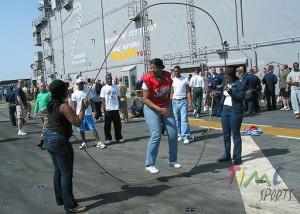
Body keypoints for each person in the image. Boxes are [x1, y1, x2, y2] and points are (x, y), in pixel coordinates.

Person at [45, 79, 87, 213]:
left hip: (49, 138)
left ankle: (61, 199)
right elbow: (78, 122)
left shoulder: (51, 104)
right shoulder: (64, 106)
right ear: (62, 92)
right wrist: (83, 108)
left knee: (58, 171)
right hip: (59, 141)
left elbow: (59, 120)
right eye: (66, 88)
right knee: (66, 174)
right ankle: (70, 206)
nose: (68, 90)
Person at [141, 58, 181, 174]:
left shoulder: (168, 76)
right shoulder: (147, 79)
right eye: (151, 67)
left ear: (161, 67)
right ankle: (149, 164)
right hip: (151, 108)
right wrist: (160, 109)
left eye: (155, 67)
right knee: (156, 134)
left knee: (173, 134)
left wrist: (168, 104)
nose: (152, 70)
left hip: (165, 106)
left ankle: (172, 160)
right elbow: (146, 99)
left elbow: (170, 90)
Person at [217, 68, 246, 165]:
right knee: (226, 134)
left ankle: (237, 157)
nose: (226, 80)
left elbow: (240, 97)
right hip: (225, 109)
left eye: (228, 78)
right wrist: (216, 93)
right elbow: (223, 95)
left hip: (235, 110)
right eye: (225, 78)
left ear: (232, 77)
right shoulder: (225, 84)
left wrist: (231, 92)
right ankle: (227, 155)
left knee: (236, 134)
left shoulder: (240, 84)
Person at [72, 77, 105, 149]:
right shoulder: (74, 94)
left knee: (92, 128)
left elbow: (92, 102)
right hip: (79, 114)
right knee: (81, 129)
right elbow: (74, 105)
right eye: (80, 83)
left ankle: (98, 142)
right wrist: (74, 114)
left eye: (82, 83)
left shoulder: (88, 91)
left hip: (88, 113)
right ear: (77, 84)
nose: (82, 84)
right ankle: (84, 142)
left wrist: (95, 110)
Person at [100, 73, 124, 144]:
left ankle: (119, 137)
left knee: (118, 125)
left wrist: (120, 106)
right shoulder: (104, 88)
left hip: (115, 108)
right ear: (106, 80)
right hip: (108, 109)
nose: (109, 80)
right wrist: (104, 108)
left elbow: (118, 97)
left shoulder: (116, 87)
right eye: (108, 79)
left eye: (110, 78)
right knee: (107, 126)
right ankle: (108, 138)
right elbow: (103, 100)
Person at [171, 65, 192, 144]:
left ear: (180, 71)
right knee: (176, 119)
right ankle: (179, 134)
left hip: (183, 100)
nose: (176, 72)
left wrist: (190, 102)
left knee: (184, 119)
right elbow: (172, 92)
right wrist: (170, 101)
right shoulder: (172, 80)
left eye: (177, 71)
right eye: (175, 71)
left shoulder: (185, 79)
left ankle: (186, 136)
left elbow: (188, 91)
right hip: (175, 101)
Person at [34, 82, 52, 149]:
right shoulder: (39, 95)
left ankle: (42, 141)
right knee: (46, 128)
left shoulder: (49, 94)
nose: (42, 88)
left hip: (47, 113)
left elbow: (51, 103)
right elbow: (37, 104)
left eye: (43, 86)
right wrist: (35, 112)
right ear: (39, 87)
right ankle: (48, 140)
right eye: (41, 86)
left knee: (45, 127)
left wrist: (45, 108)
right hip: (41, 114)